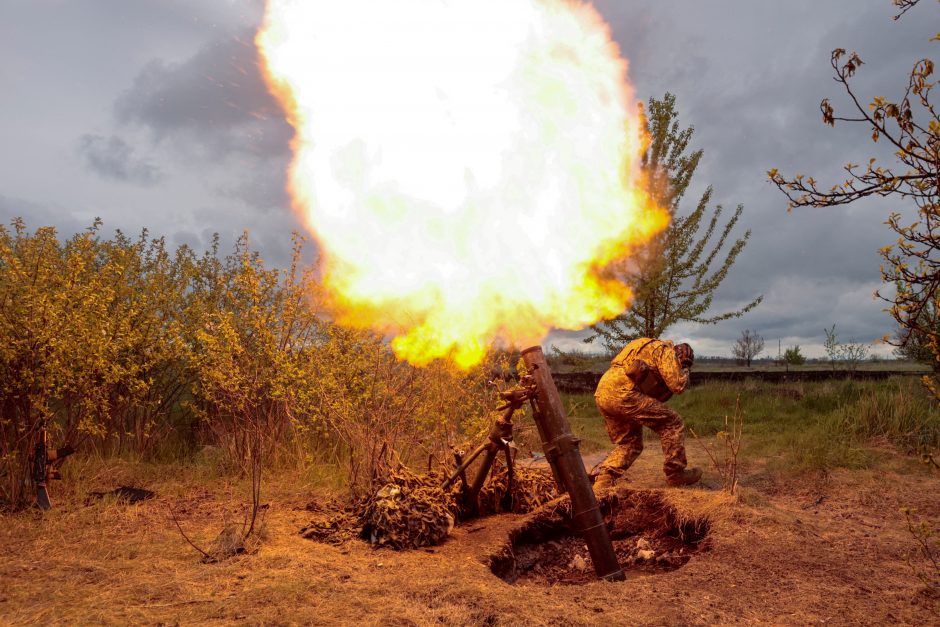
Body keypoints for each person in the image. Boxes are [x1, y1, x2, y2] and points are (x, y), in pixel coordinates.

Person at [591, 338, 702, 490]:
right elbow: (677, 385)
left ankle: (604, 479)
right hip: (625, 393)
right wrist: (685, 367)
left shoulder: (642, 345)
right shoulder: (665, 350)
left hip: (603, 392)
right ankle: (676, 474)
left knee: (631, 443)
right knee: (672, 423)